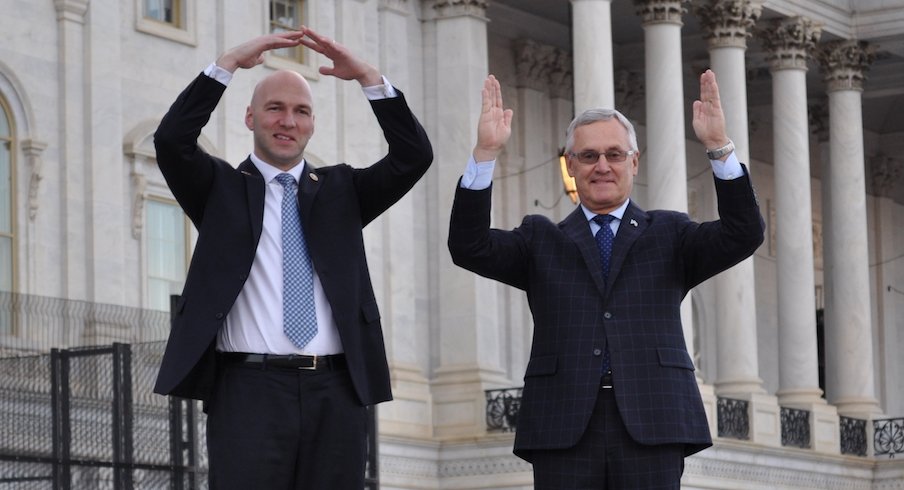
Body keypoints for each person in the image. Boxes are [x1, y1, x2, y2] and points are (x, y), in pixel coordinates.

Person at [448, 72, 764, 489]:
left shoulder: (669, 234)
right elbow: (468, 247)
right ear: (570, 165)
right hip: (564, 424)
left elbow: (743, 233)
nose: (602, 166)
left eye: (614, 154)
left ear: (633, 162)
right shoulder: (541, 239)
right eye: (589, 155)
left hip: (653, 419)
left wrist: (719, 148)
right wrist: (485, 154)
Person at [152, 28, 432, 489]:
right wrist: (225, 66)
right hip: (248, 391)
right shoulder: (218, 189)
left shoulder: (343, 191)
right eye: (275, 108)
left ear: (312, 123)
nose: (288, 121)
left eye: (301, 111)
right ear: (250, 117)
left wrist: (367, 77)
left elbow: (413, 155)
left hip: (337, 392)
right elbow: (172, 141)